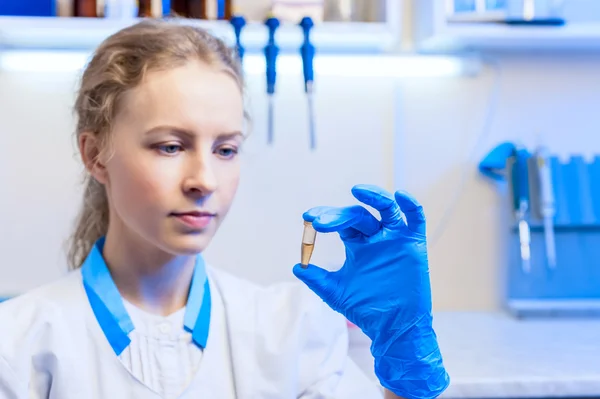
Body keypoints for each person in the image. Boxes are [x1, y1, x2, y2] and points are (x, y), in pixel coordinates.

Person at [0, 20, 450, 399]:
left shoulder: (288, 332)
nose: (205, 180)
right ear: (96, 154)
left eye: (226, 150)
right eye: (170, 146)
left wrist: (404, 357)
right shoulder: (20, 345)